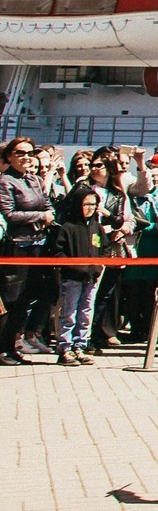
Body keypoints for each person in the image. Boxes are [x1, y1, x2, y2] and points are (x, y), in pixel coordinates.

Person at [1, 136, 57, 363]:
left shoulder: (34, 180)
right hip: (16, 246)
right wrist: (41, 216)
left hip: (37, 244)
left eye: (29, 153)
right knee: (12, 298)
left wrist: (47, 214)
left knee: (27, 298)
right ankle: (3, 349)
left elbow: (47, 203)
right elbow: (9, 214)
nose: (26, 157)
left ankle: (13, 346)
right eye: (20, 153)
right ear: (9, 157)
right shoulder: (5, 181)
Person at [50, 185, 109, 365]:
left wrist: (99, 265)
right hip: (72, 278)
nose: (90, 208)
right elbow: (58, 252)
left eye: (93, 204)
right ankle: (65, 348)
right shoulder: (67, 227)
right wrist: (74, 266)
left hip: (91, 278)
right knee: (69, 313)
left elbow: (105, 249)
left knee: (86, 312)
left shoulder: (97, 227)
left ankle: (80, 346)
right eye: (86, 204)